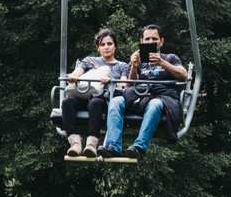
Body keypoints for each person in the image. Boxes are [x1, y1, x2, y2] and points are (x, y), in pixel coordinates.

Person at [99, 24, 188, 159]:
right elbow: (130, 85)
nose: (150, 42)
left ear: (161, 41)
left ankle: (139, 147)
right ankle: (113, 146)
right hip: (140, 95)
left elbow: (184, 75)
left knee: (154, 104)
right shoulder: (139, 60)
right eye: (147, 39)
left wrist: (162, 63)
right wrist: (134, 67)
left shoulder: (170, 58)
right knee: (116, 101)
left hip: (162, 96)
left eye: (154, 39)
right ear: (141, 41)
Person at [61, 28, 128, 157]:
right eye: (102, 44)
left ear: (115, 46)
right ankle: (75, 142)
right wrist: (73, 77)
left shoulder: (122, 66)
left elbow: (124, 84)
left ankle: (91, 143)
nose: (106, 47)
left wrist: (111, 81)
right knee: (67, 102)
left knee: (94, 103)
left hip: (104, 97)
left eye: (109, 44)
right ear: (98, 48)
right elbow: (76, 73)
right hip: (85, 95)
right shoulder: (89, 61)